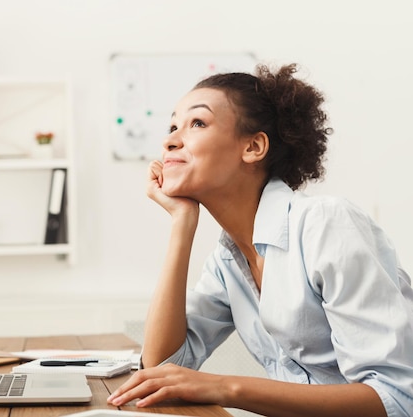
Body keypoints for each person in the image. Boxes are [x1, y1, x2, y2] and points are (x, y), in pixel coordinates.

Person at [107, 63, 413, 417]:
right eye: (173, 126)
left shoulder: (326, 225)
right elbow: (161, 366)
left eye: (198, 123)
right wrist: (181, 223)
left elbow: (396, 399)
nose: (170, 139)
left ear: (253, 147)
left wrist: (226, 387)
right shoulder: (228, 261)